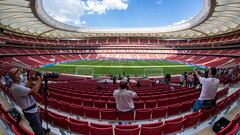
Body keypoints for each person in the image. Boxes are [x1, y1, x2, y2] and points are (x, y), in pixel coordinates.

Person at [9, 68, 45, 135]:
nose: (20, 75)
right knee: (38, 131)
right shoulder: (16, 87)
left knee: (39, 125)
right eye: (18, 74)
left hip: (33, 110)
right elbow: (34, 91)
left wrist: (31, 79)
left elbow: (26, 87)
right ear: (14, 77)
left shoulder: (18, 84)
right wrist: (39, 80)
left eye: (20, 73)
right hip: (31, 113)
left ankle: (41, 130)